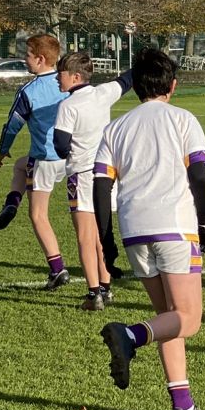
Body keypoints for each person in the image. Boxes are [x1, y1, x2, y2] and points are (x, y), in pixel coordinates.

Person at [95, 48, 205, 410]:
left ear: (135, 88)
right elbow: (199, 174)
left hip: (134, 231)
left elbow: (100, 186)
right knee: (189, 319)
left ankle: (183, 405)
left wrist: (106, 239)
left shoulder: (116, 128)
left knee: (170, 317)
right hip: (175, 227)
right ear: (173, 85)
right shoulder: (181, 119)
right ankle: (130, 335)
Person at [0, 34, 72, 290]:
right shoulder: (69, 84)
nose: (24, 59)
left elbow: (13, 123)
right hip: (71, 158)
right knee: (21, 165)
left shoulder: (30, 90)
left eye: (27, 55)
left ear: (40, 59)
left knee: (38, 215)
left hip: (45, 159)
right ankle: (11, 203)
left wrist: (3, 149)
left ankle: (58, 269)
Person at [53, 52, 134, 311]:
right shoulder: (103, 93)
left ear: (75, 77)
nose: (57, 78)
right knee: (102, 233)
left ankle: (93, 293)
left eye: (61, 74)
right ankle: (106, 288)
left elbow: (61, 146)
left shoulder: (68, 106)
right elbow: (127, 80)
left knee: (86, 236)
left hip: (80, 175)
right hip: (105, 174)